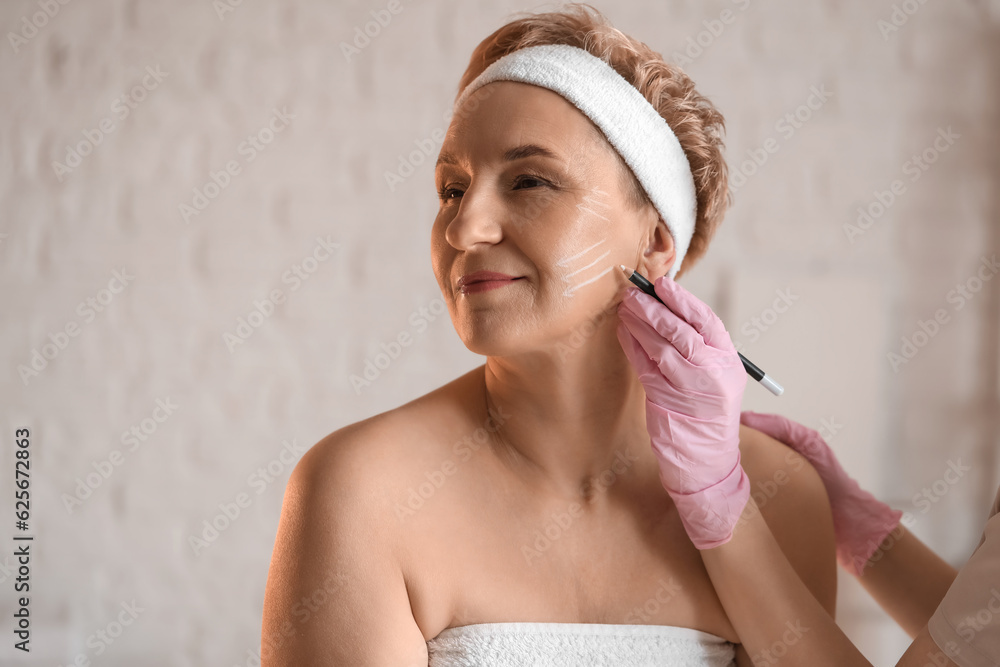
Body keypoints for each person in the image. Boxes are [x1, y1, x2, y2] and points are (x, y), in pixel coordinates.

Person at [261, 4, 845, 666]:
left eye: (529, 181)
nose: (463, 229)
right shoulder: (359, 490)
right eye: (452, 190)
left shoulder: (778, 498)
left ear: (655, 243)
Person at [618, 256, 998, 666]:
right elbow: (978, 634)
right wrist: (864, 528)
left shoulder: (786, 491)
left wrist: (719, 498)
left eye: (539, 185)